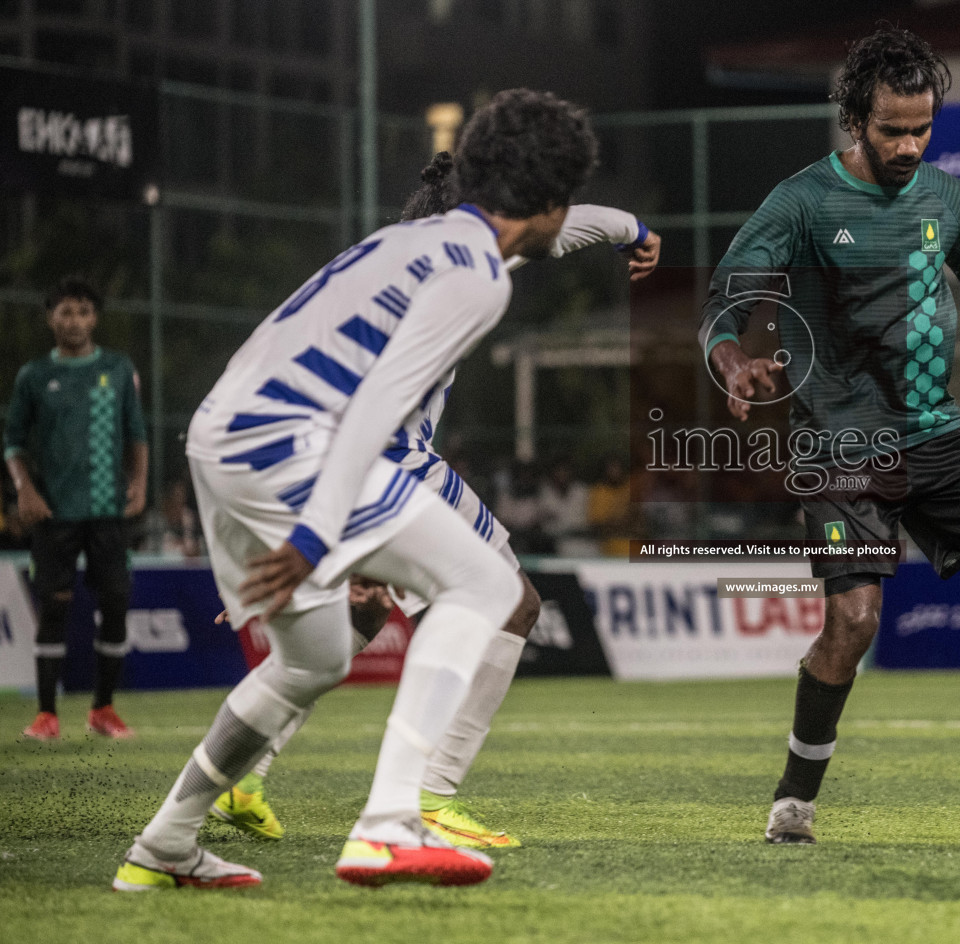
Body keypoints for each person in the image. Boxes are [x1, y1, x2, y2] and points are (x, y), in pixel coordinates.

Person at [111, 88, 600, 892]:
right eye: (568, 204)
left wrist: (633, 231)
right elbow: (376, 405)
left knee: (314, 659)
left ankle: (164, 843)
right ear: (549, 204)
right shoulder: (477, 274)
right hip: (293, 444)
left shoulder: (411, 239)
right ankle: (390, 824)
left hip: (217, 435)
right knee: (485, 583)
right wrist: (314, 535)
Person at [699, 25, 960, 845]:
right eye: (892, 131)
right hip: (839, 442)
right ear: (855, 122)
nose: (910, 145)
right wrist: (733, 363)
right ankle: (795, 799)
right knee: (855, 621)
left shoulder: (948, 202)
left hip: (936, 432)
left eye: (922, 129)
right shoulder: (802, 201)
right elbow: (724, 301)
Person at [210, 152, 660, 850]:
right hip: (391, 468)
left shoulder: (377, 265)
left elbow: (559, 229)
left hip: (363, 464)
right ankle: (428, 796)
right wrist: (325, 528)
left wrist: (630, 229)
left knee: (354, 623)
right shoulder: (454, 269)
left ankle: (244, 777)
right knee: (514, 604)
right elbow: (362, 409)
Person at [5, 279, 148, 741]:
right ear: (51, 318)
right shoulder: (32, 376)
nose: (74, 321)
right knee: (54, 605)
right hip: (54, 512)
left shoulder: (117, 368)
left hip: (108, 510)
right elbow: (12, 444)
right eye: (65, 312)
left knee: (116, 602)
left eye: (83, 312)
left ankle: (103, 709)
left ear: (95, 319)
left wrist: (140, 483)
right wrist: (24, 489)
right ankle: (47, 715)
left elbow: (137, 435)